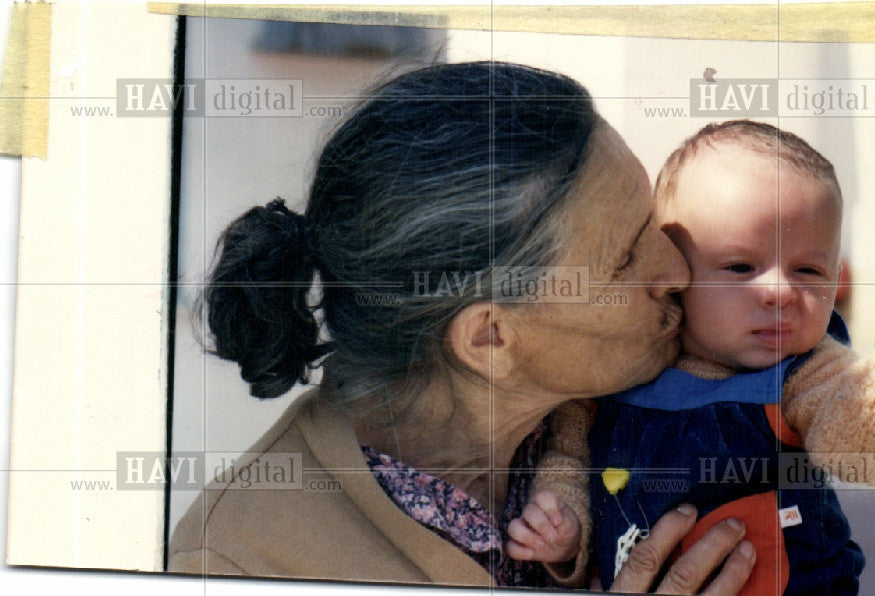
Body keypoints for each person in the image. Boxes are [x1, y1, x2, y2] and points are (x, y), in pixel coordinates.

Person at [167, 62, 758, 592]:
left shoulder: (670, 394)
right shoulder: (241, 564)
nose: (678, 269)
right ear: (489, 339)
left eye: (651, 219)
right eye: (625, 258)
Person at [507, 120, 875, 594]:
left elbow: (868, 447)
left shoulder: (806, 373)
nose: (779, 291)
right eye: (740, 266)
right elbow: (570, 456)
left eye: (808, 270)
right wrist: (564, 523)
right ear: (675, 269)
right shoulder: (618, 370)